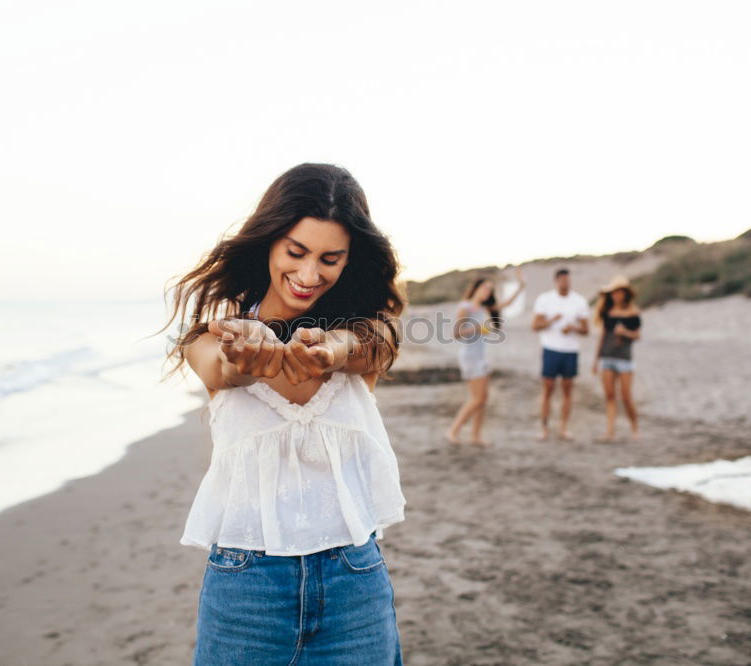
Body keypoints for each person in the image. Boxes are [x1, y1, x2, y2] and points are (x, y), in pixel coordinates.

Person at [159, 163, 407, 665]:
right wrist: (243, 356)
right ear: (270, 240)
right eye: (296, 252)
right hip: (246, 585)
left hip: (354, 582)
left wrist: (330, 348)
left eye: (329, 258)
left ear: (350, 260)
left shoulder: (368, 334)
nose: (309, 274)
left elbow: (367, 346)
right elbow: (220, 367)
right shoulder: (212, 336)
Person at [445, 268, 525, 448]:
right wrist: (477, 328)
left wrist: (520, 286)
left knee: (483, 398)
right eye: (485, 288)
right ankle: (453, 431)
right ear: (477, 288)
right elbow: (456, 333)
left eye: (490, 290)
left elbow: (507, 304)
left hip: (481, 356)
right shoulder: (465, 307)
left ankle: (476, 436)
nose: (488, 292)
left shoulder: (483, 308)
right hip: (470, 357)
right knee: (477, 399)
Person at [531, 268, 590, 441]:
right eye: (563, 280)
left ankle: (563, 428)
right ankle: (544, 428)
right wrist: (551, 321)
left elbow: (586, 329)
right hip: (550, 348)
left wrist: (574, 328)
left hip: (570, 350)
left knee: (568, 390)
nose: (566, 283)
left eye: (568, 280)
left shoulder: (579, 301)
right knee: (548, 388)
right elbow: (535, 326)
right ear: (556, 281)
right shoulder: (545, 299)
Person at [592, 275, 642, 441]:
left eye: (619, 292)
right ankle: (610, 431)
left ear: (625, 294)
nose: (616, 295)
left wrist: (625, 332)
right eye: (614, 292)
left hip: (624, 358)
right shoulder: (608, 313)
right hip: (607, 357)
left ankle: (635, 427)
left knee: (626, 396)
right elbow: (603, 336)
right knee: (609, 396)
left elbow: (637, 335)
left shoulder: (633, 313)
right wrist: (595, 360)